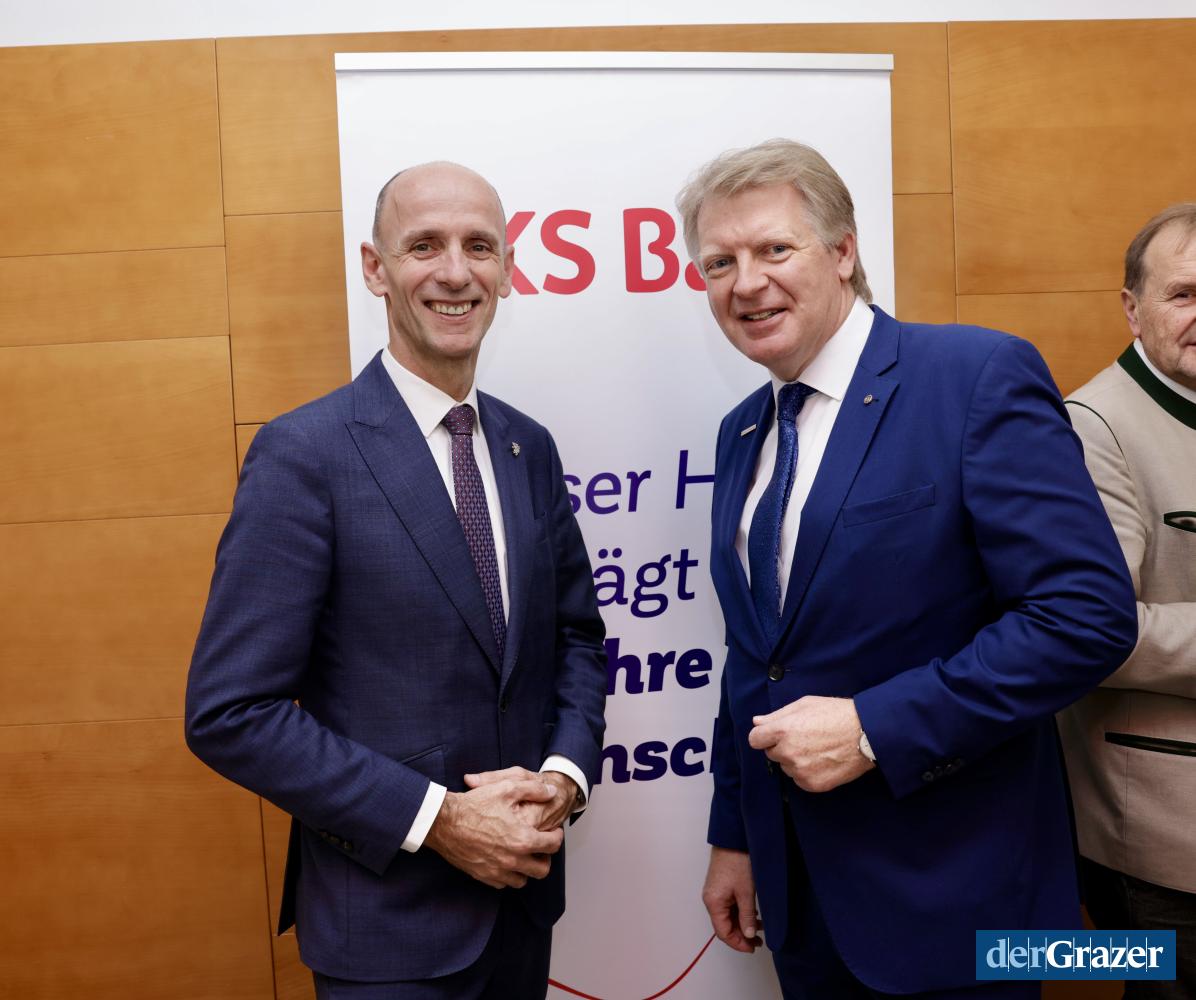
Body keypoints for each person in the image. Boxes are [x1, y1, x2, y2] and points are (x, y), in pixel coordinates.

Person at [675, 138, 1137, 999]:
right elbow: (756, 659)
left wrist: (872, 729)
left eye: (775, 249)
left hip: (960, 894)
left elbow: (1085, 618)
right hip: (803, 900)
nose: (746, 283)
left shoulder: (973, 377)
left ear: (843, 252)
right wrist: (735, 833)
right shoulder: (742, 433)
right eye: (719, 263)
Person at [184, 161, 607, 999]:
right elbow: (231, 713)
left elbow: (576, 638)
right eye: (424, 246)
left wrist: (564, 775)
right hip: (386, 937)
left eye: (479, 247)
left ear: (508, 270)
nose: (455, 272)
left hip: (522, 916)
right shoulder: (305, 454)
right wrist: (439, 819)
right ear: (376, 269)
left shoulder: (528, 447)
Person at [1057, 202, 1196, 999]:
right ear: (1132, 308)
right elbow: (1088, 632)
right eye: (1184, 294)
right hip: (1166, 845)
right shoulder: (1091, 427)